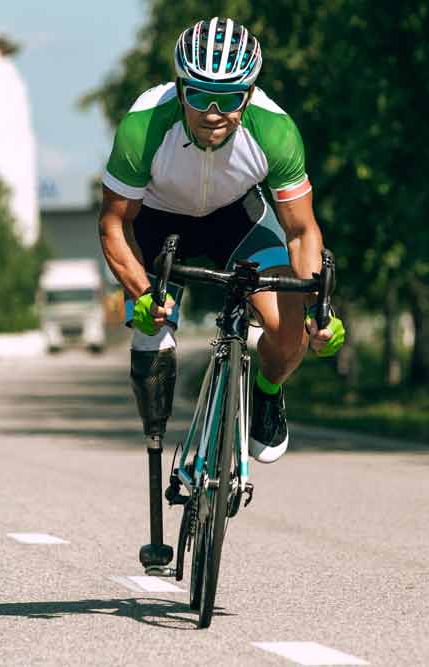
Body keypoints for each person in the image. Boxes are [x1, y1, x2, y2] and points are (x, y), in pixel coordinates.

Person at [99, 17, 346, 465]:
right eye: (198, 95)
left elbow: (301, 230)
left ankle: (266, 394)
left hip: (236, 218)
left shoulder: (275, 131)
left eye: (230, 98)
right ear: (179, 88)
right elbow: (115, 225)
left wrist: (318, 310)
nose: (213, 112)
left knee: (286, 327)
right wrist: (141, 293)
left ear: (249, 95)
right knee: (153, 339)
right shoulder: (144, 126)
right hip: (158, 221)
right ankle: (158, 447)